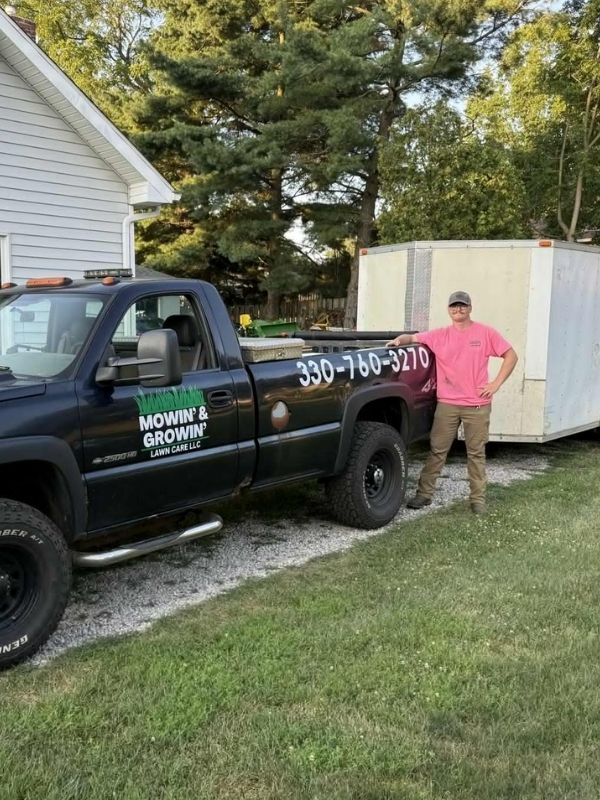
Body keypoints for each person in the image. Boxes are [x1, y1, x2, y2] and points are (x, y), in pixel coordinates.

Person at [387, 291, 518, 514]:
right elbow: (414, 338)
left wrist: (495, 384)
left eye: (463, 306)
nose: (458, 309)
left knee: (475, 453)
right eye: (454, 306)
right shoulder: (440, 335)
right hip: (447, 404)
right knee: (437, 450)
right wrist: (400, 341)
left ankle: (478, 500)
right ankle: (424, 494)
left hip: (477, 405)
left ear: (470, 308)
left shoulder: (485, 333)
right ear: (449, 309)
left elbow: (511, 355)